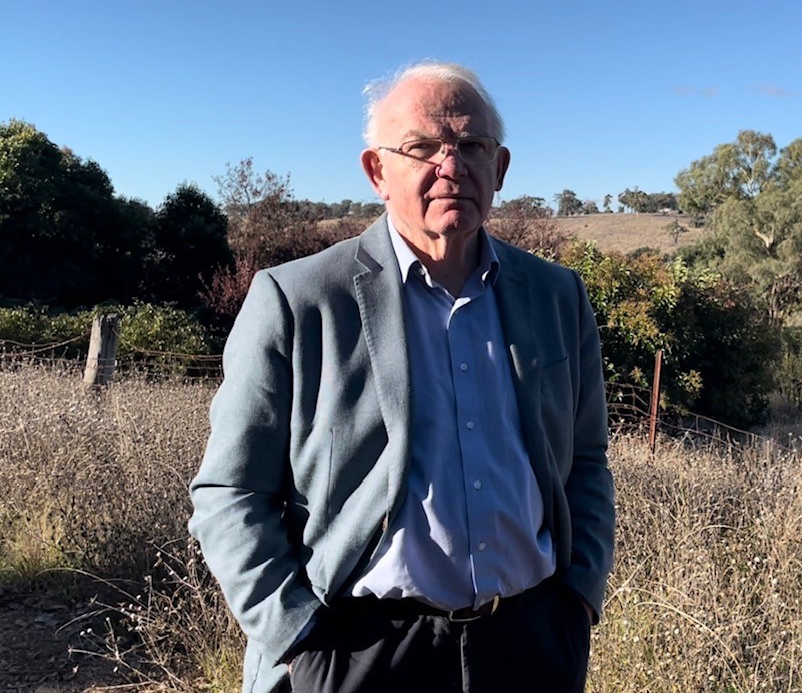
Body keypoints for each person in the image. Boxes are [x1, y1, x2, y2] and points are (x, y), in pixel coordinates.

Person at [189, 61, 615, 693]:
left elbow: (585, 460)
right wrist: (299, 640)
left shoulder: (556, 295)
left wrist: (577, 600)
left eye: (472, 146)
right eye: (422, 147)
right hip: (358, 650)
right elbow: (229, 492)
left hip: (529, 645)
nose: (452, 166)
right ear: (377, 171)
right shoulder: (297, 299)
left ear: (499, 168)